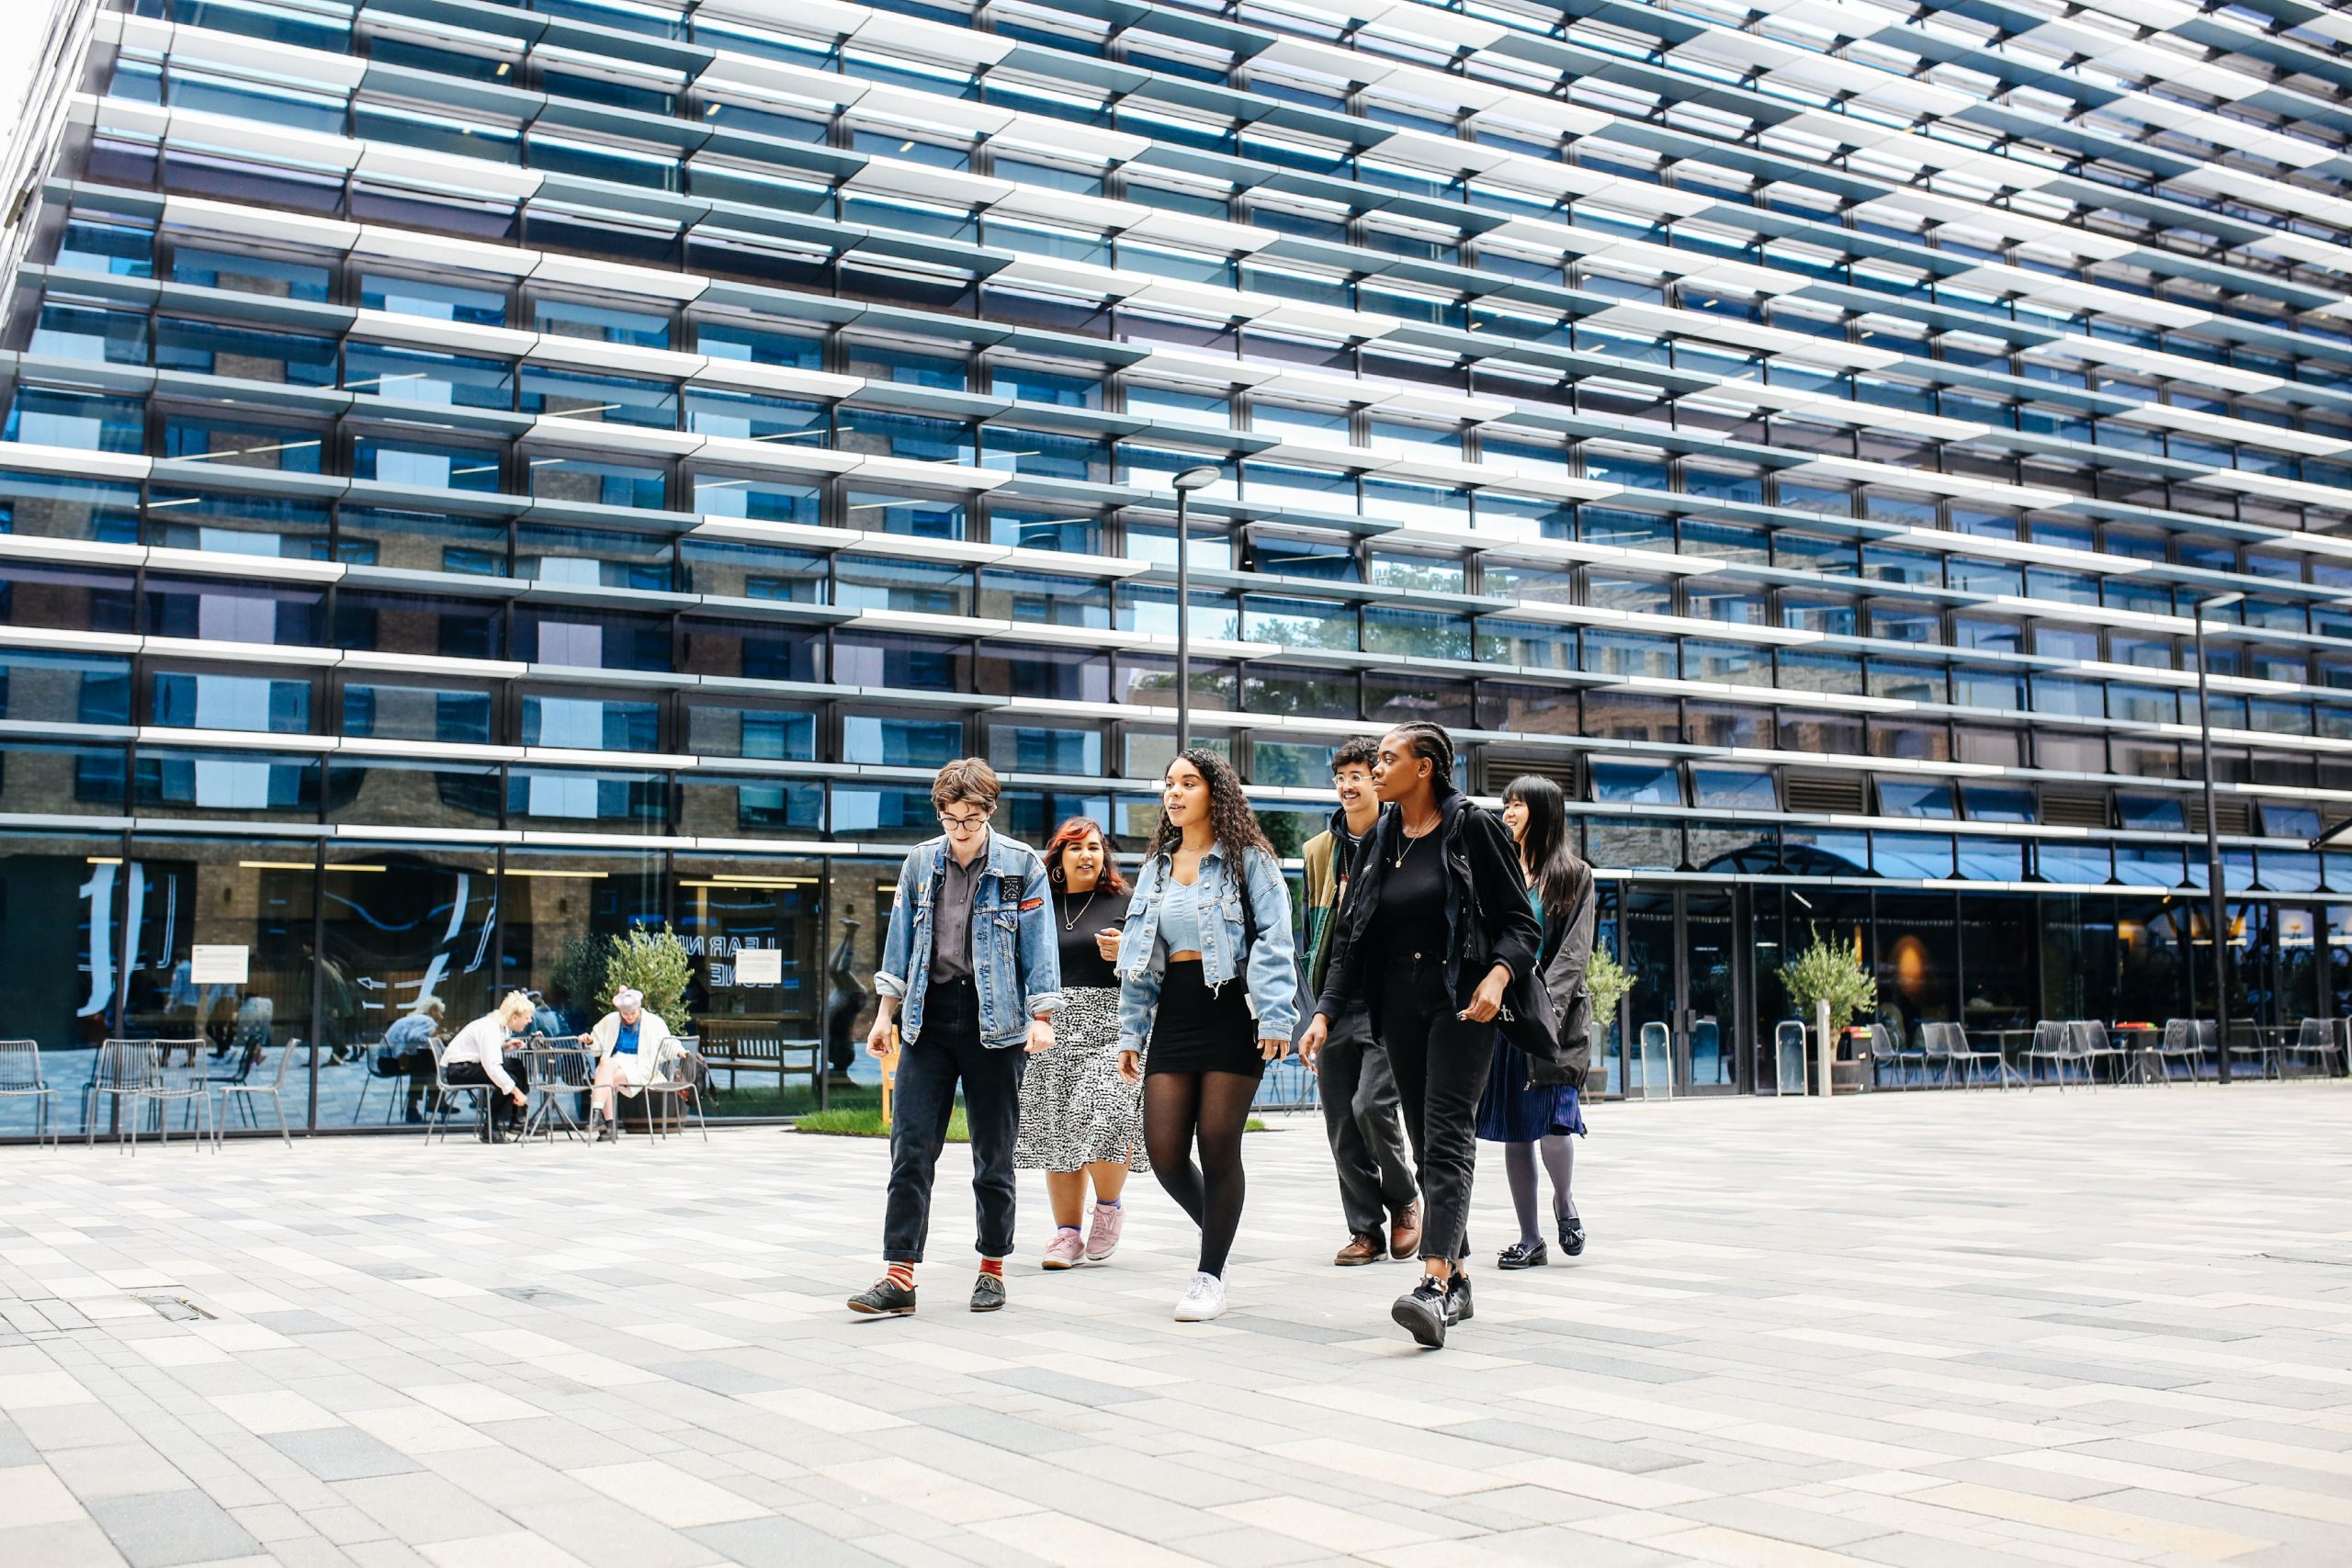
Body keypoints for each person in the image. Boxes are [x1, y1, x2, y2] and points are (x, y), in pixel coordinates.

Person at [1301, 723, 1541, 1349]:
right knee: (1426, 1139)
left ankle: (1433, 1282)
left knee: (1447, 1131)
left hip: (1462, 1006)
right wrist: (1325, 1011)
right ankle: (1459, 1274)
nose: (1376, 770)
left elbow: (1521, 924)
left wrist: (1497, 974)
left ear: (1426, 767)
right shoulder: (1381, 835)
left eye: (1387, 759)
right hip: (1397, 1008)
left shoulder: (1473, 828)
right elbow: (1352, 935)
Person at [848, 759, 1060, 1319]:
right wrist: (883, 1014)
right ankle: (899, 1276)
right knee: (910, 1150)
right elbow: (899, 944)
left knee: (994, 1155)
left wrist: (1043, 1016)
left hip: (998, 1026)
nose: (959, 830)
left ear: (990, 812)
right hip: (928, 1020)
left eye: (970, 818)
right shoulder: (921, 863)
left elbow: (1038, 949)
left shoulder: (1020, 866)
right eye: (949, 818)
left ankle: (992, 1268)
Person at [1115, 749, 1299, 1324]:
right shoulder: (1156, 868)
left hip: (1232, 1011)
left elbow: (1274, 940)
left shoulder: (1250, 862)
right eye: (1168, 783)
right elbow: (1143, 959)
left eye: (1187, 783)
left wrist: (1275, 1017)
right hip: (1175, 1011)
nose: (1173, 793)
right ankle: (1219, 1231)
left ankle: (1209, 1273)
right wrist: (1130, 1031)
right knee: (1165, 1152)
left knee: (1219, 1144)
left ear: (1214, 793)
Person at [1302, 737, 1420, 1267]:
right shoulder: (1319, 851)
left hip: (1390, 998)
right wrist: (1315, 1008)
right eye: (1341, 776)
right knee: (1339, 1119)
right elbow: (1315, 933)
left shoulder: (1407, 839)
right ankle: (1365, 1229)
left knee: (1371, 1105)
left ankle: (1405, 1200)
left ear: (1379, 780)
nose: (1349, 785)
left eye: (1360, 774)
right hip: (1336, 998)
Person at [1015, 818, 1147, 1269]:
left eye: (1094, 847)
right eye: (1074, 849)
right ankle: (1066, 1235)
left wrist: (1127, 951)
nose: (1086, 855)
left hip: (1113, 1026)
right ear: (1058, 858)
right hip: (1052, 1027)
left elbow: (1157, 960)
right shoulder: (1037, 905)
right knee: (1058, 1133)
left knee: (1104, 1111)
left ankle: (1108, 1208)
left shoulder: (1126, 901)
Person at [1480, 776, 1595, 1269]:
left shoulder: (1573, 874)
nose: (1507, 812)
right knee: (1514, 1131)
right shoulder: (1498, 870)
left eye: (1518, 805)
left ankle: (1564, 1203)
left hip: (1555, 1024)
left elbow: (1573, 953)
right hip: (1505, 1019)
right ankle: (1530, 1238)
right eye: (1505, 804)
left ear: (1544, 812)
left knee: (1553, 1125)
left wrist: (1544, 1005)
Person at [580, 987, 678, 1143]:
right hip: (617, 1060)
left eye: (633, 1013)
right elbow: (597, 1046)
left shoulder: (654, 1022)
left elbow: (668, 1043)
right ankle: (601, 1117)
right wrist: (590, 1041)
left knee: (604, 1076)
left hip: (640, 1064)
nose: (629, 1017)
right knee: (605, 1064)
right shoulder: (611, 1020)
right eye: (625, 1014)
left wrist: (679, 1051)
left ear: (639, 1008)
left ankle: (602, 1119)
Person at [442, 991, 535, 1142]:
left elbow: (482, 1053)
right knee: (505, 1077)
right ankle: (492, 1128)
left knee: (515, 1065)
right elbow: (493, 1068)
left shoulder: (495, 1025)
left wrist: (504, 1046)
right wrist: (517, 1092)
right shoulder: (491, 1029)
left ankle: (518, 1117)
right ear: (514, 1017)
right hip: (459, 1071)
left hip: (466, 1066)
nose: (529, 1021)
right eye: (526, 1017)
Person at [382, 998, 446, 1124]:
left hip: (385, 1060)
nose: (441, 1017)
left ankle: (416, 1107)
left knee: (423, 1067)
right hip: (393, 1062)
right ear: (433, 1010)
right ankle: (435, 1101)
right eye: (440, 1012)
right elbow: (414, 1038)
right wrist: (436, 1039)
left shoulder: (413, 1019)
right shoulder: (427, 1020)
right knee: (431, 1067)